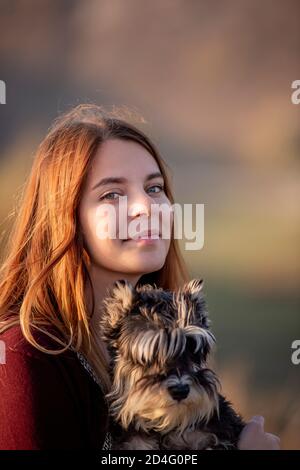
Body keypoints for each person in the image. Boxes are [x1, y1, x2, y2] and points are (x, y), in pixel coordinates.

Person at [0, 104, 280, 450]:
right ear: (65, 219)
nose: (146, 208)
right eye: (112, 194)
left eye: (154, 188)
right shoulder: (26, 355)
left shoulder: (175, 342)